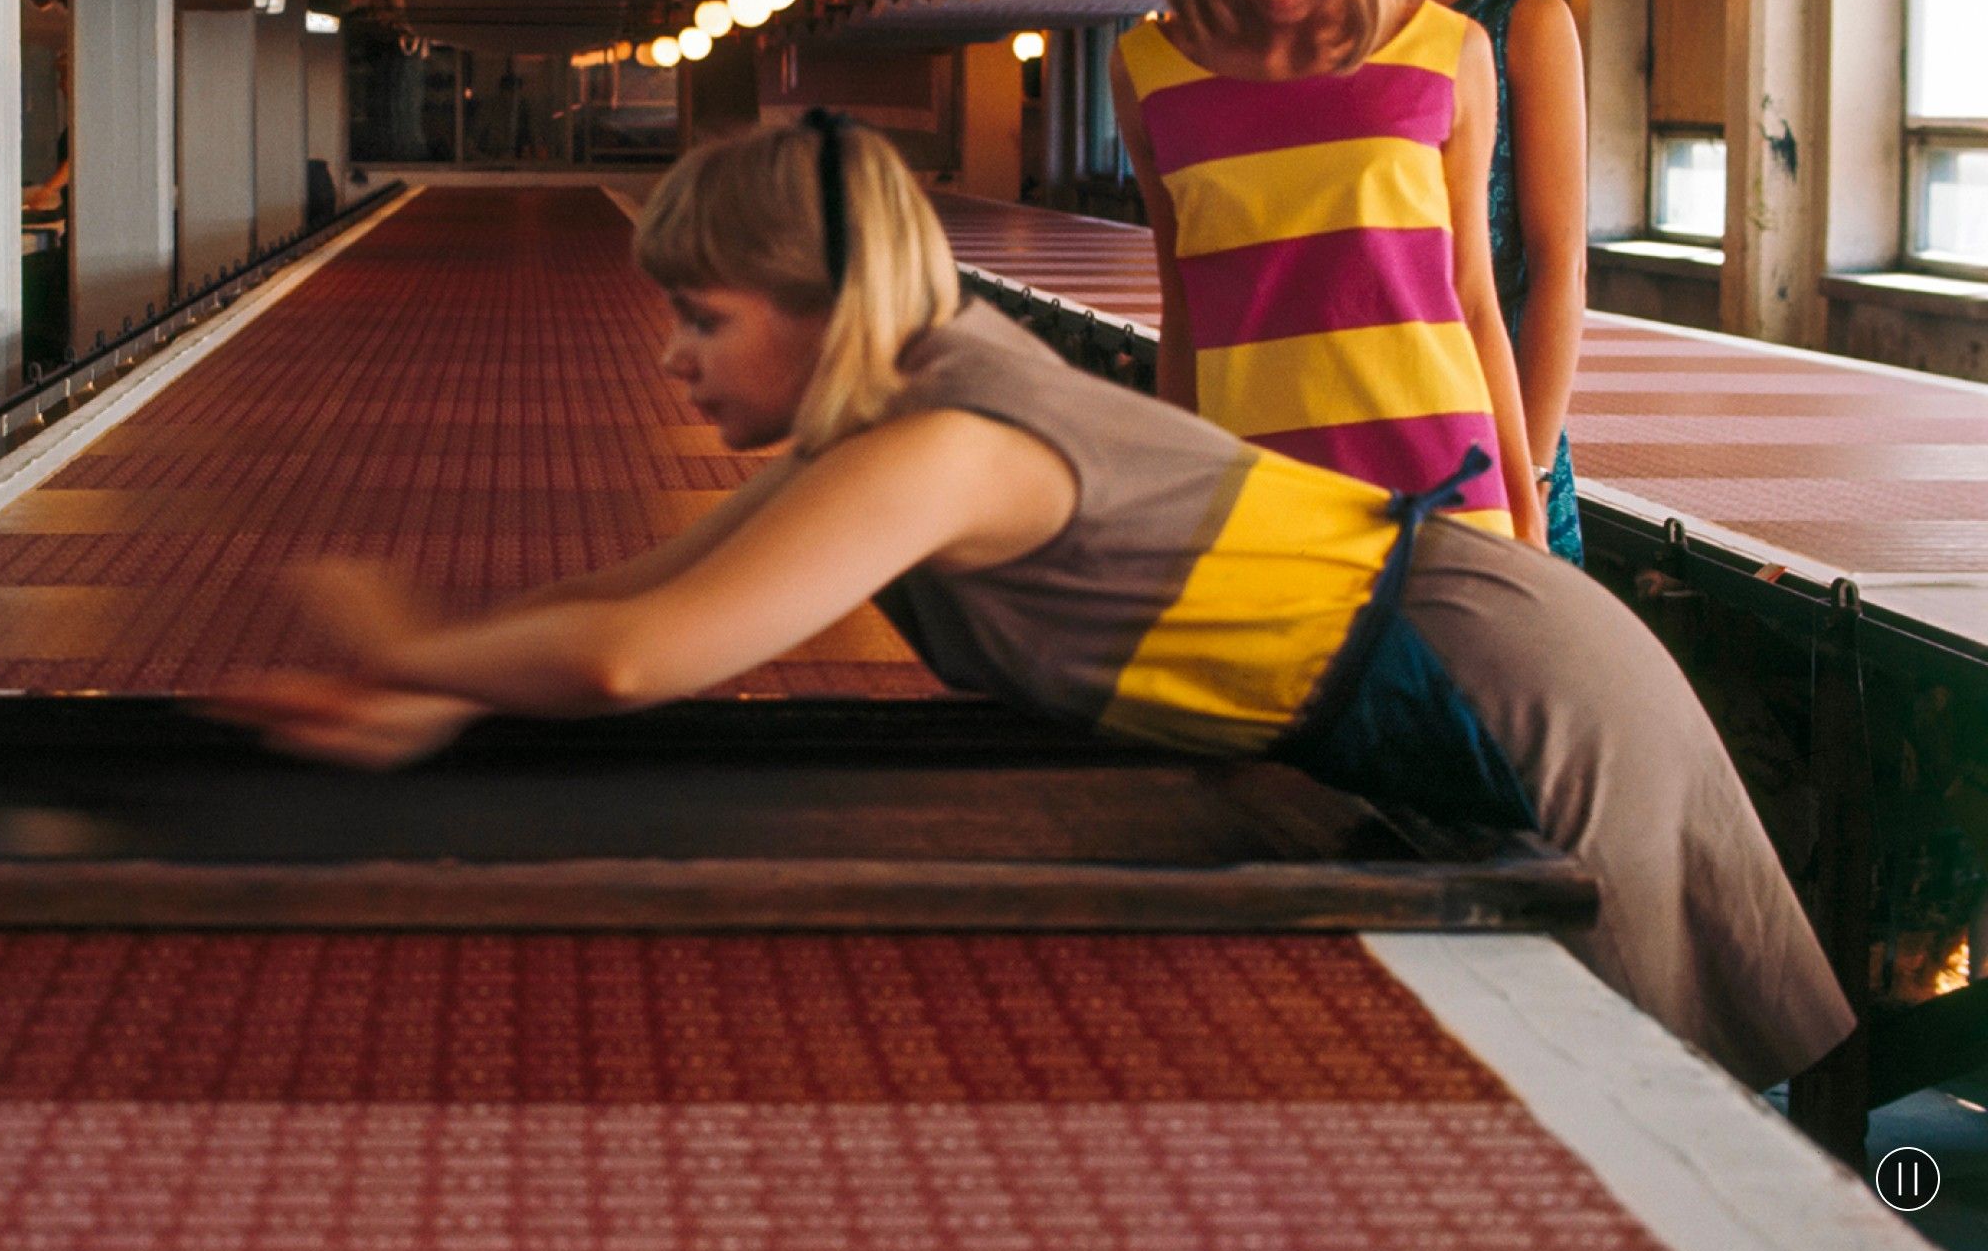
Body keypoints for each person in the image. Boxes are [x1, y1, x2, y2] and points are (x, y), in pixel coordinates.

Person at [216, 115, 1852, 1089]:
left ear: (821, 306)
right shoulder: (913, 400)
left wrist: (410, 647)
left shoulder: (947, 447)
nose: (674, 358)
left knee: (1663, 1111)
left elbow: (643, 654)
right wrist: (442, 686)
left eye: (704, 318)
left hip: (1506, 690)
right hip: (1447, 665)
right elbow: (650, 587)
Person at [1110, 0, 1542, 544]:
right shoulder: (1150, 73)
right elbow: (1185, 310)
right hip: (1260, 498)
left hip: (1446, 496)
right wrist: (1180, 510)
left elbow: (1474, 300)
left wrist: (1527, 516)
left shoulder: (1448, 53)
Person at [1335, 0, 1589, 565]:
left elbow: (1558, 266)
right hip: (1358, 416)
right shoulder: (1335, 27)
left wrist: (1533, 470)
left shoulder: (1525, 20)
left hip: (1496, 420)